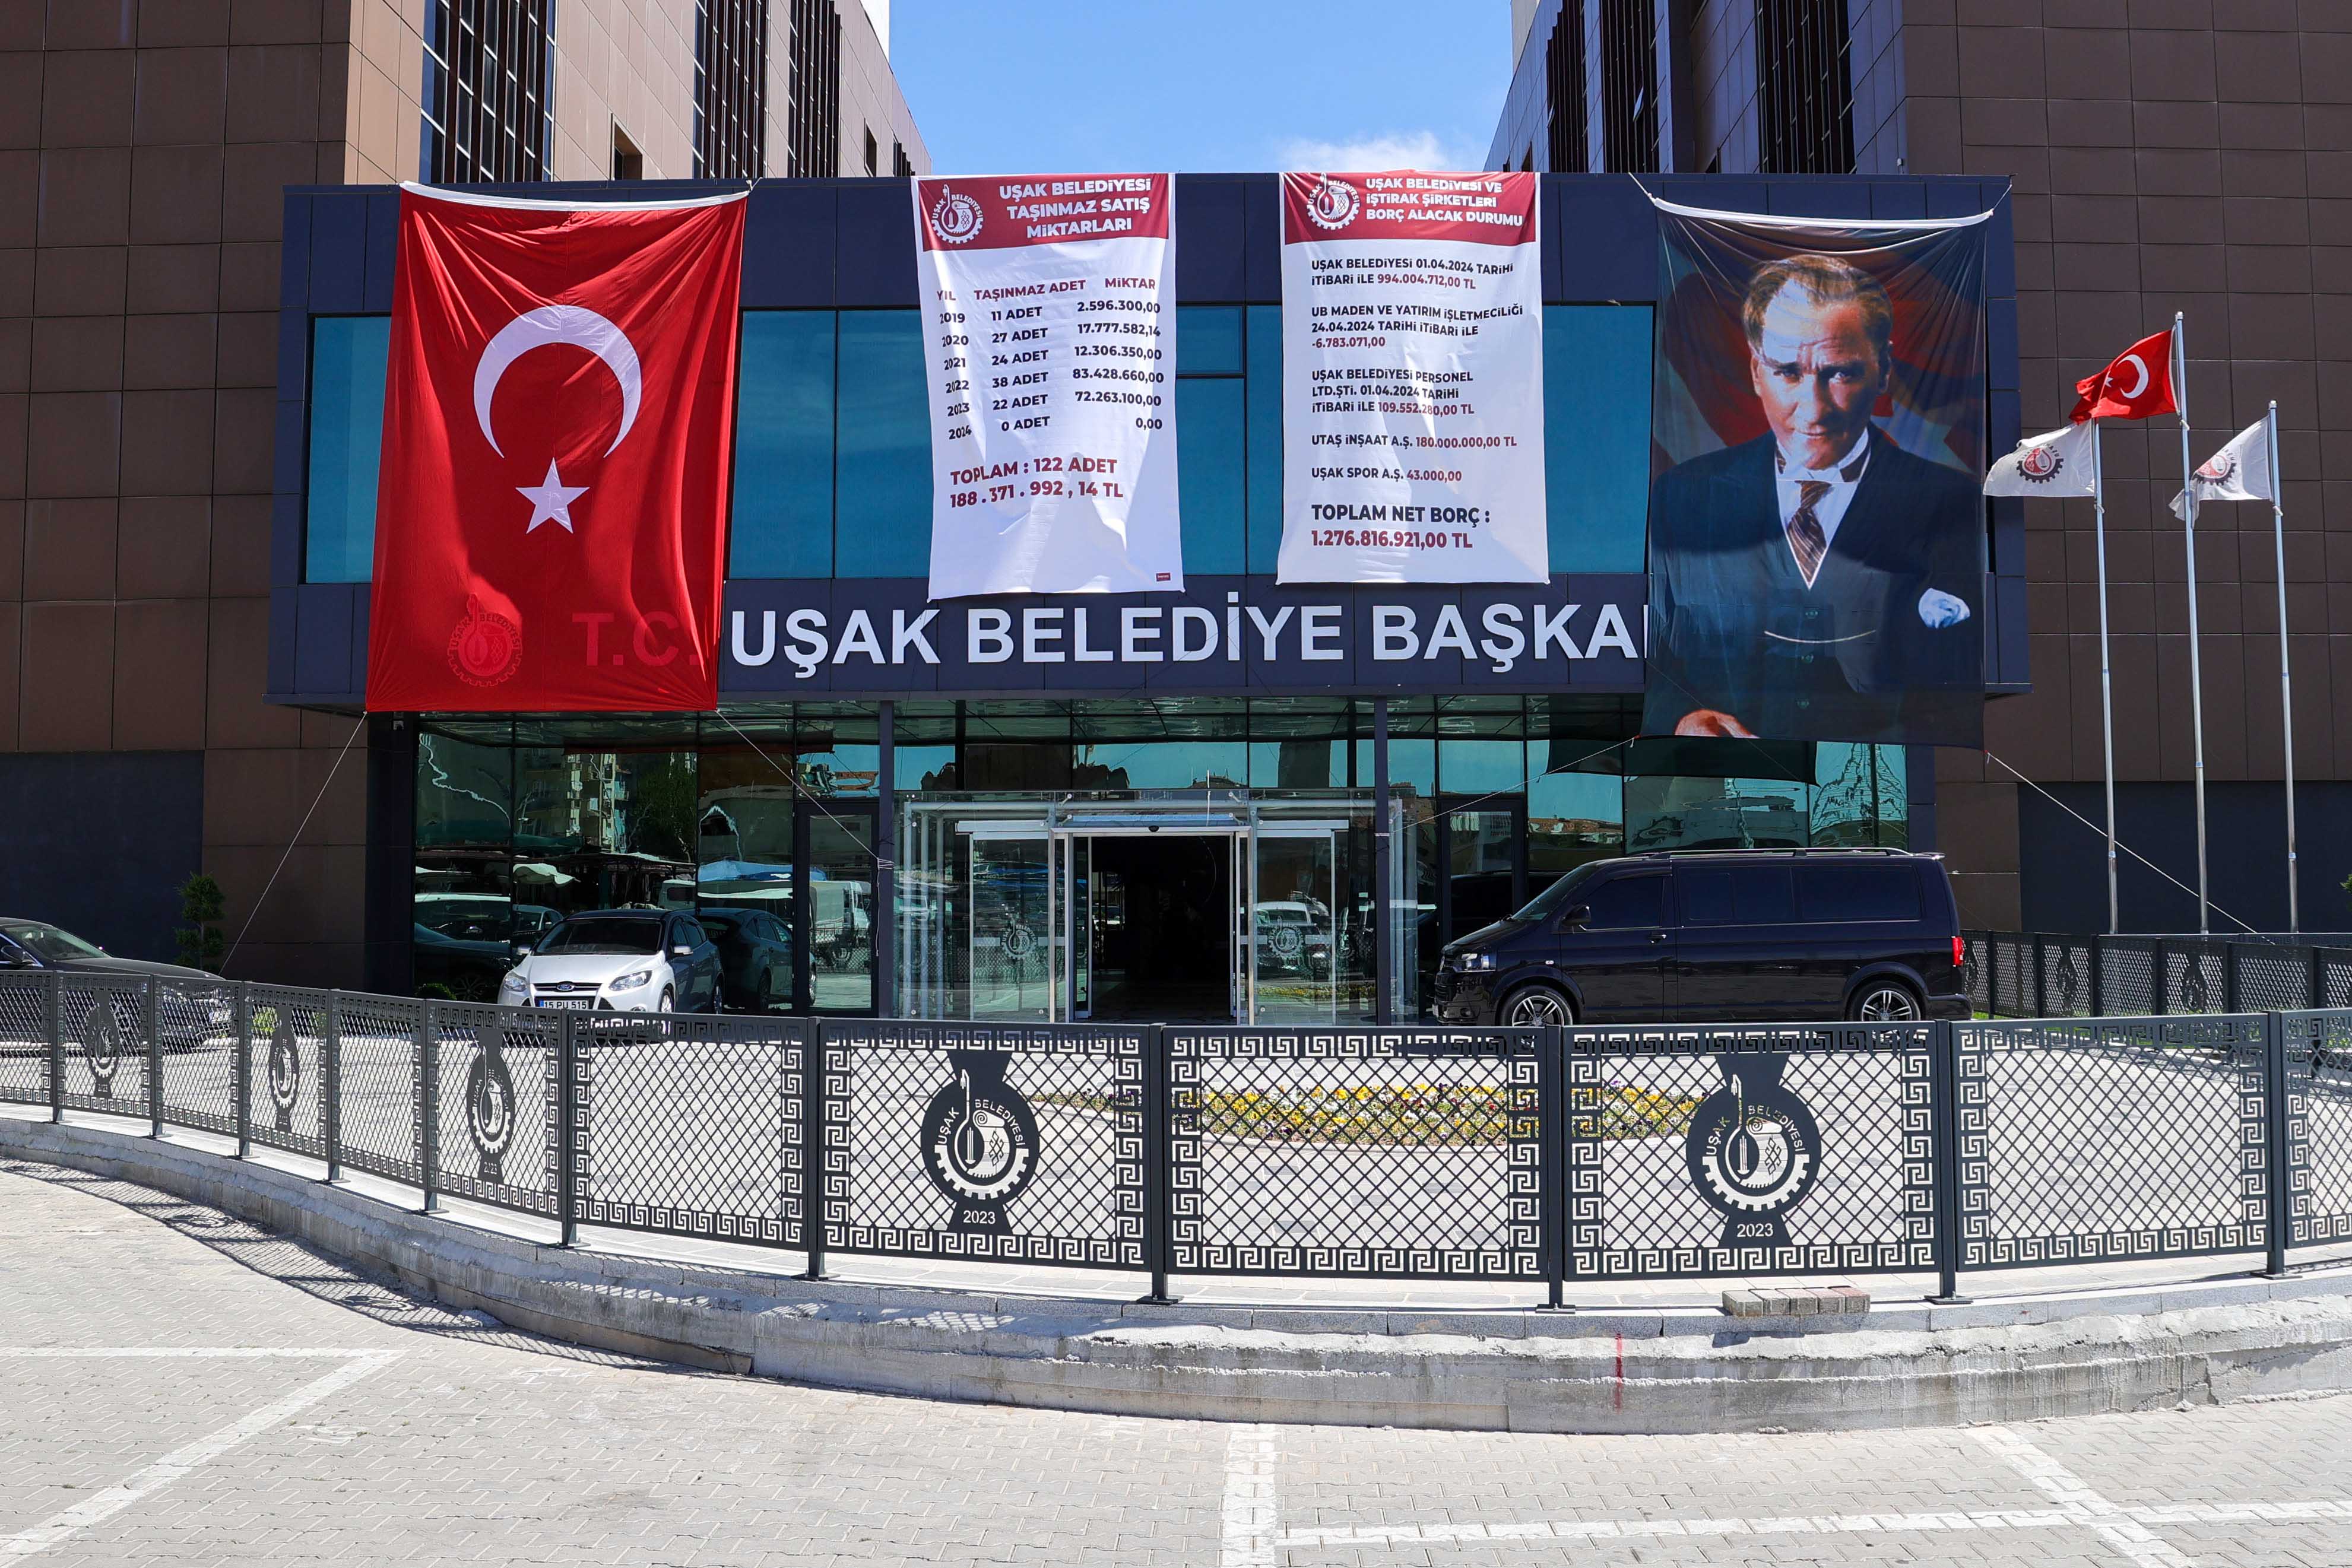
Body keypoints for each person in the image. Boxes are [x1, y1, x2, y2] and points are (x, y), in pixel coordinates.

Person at [1646, 253, 1983, 744]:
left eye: (1840, 373)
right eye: (1787, 372)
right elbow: (1653, 649)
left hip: (1878, 782)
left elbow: (1958, 680)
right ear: (1756, 370)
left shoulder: (1949, 504)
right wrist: (1681, 718)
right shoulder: (1685, 498)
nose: (1814, 408)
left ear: (1883, 369)